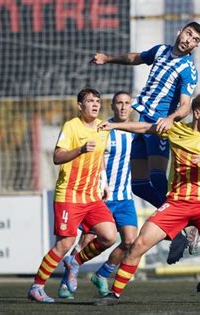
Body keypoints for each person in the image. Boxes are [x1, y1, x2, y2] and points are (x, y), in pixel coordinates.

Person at [94, 94, 200, 306]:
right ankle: (114, 294)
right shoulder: (176, 130)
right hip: (177, 203)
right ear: (197, 113)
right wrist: (115, 126)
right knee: (139, 243)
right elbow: (146, 128)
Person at [92, 22, 200, 262]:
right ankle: (181, 227)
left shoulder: (188, 69)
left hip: (160, 127)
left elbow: (186, 105)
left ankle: (183, 226)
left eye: (195, 39)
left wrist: (171, 118)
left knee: (157, 177)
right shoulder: (161, 51)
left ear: (196, 46)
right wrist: (109, 59)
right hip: (142, 121)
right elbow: (135, 57)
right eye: (188, 34)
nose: (189, 40)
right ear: (179, 32)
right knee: (139, 185)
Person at [27, 88, 117, 303]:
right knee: (64, 244)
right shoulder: (71, 126)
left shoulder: (104, 127)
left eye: (97, 101)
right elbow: (57, 157)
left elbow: (100, 157)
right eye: (89, 101)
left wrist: (103, 182)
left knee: (109, 236)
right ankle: (37, 287)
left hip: (92, 196)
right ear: (80, 106)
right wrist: (80, 149)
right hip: (69, 194)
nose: (95, 104)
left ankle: (75, 262)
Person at [57, 91, 138, 299]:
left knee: (130, 241)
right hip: (99, 196)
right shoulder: (103, 128)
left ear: (131, 106)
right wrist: (101, 182)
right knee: (86, 241)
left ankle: (102, 274)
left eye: (127, 103)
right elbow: (94, 154)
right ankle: (67, 280)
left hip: (124, 196)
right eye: (119, 103)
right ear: (112, 106)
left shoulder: (134, 131)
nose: (123, 107)